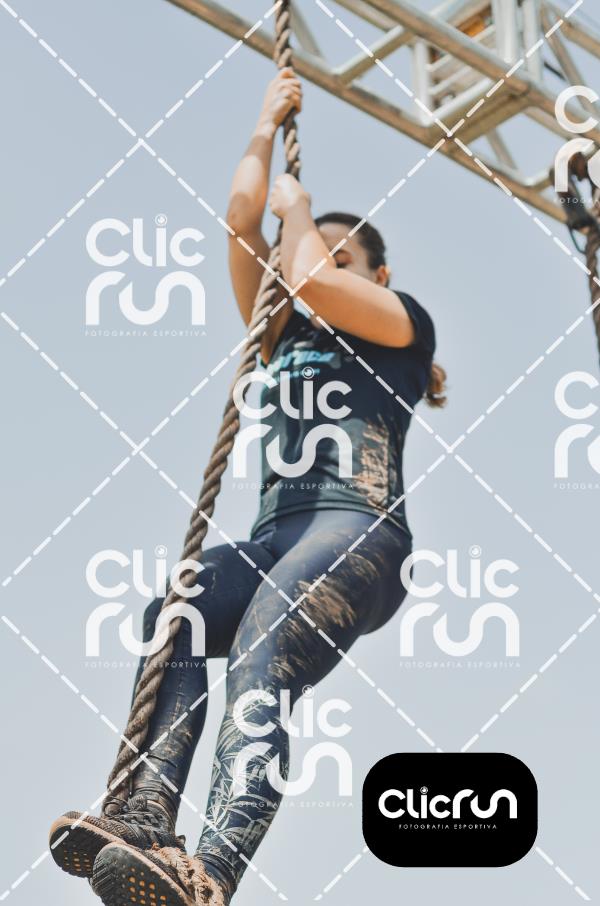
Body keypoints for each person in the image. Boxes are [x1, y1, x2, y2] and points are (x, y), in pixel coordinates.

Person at [49, 67, 446, 906]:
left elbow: (309, 275)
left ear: (376, 277)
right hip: (279, 537)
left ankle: (214, 869)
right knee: (177, 609)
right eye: (317, 248)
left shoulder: (403, 325)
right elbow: (240, 222)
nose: (319, 260)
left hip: (356, 531)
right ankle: (149, 816)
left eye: (344, 255)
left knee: (261, 657)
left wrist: (300, 213)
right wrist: (266, 125)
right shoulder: (280, 331)